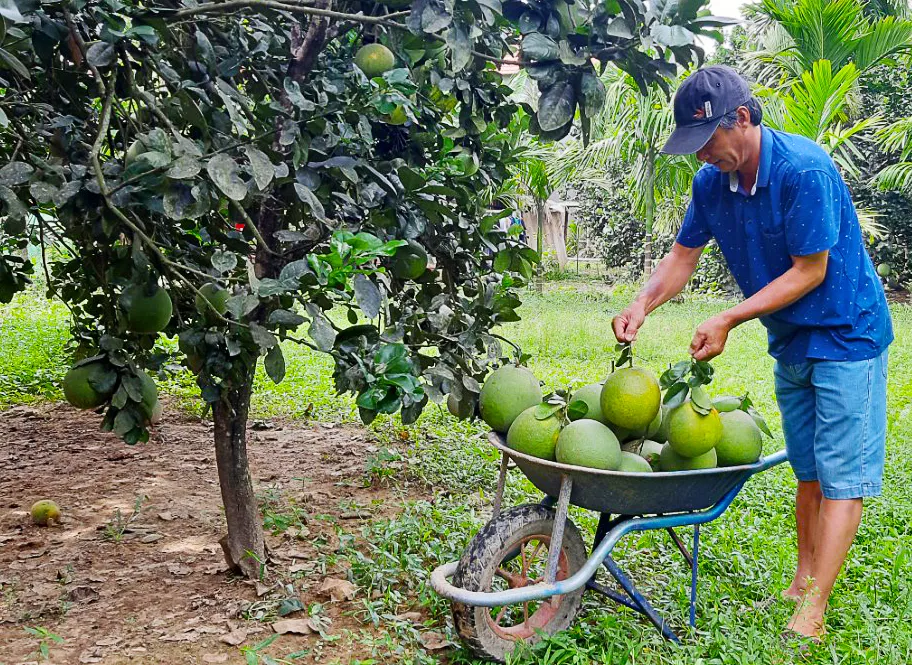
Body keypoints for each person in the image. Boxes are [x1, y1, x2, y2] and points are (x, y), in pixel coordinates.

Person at [612, 66, 892, 642]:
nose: (702, 157)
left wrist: (729, 317)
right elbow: (682, 258)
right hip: (791, 338)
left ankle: (813, 607)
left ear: (740, 118)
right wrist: (642, 304)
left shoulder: (804, 170)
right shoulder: (712, 184)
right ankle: (801, 579)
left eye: (707, 141)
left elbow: (810, 272)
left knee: (842, 477)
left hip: (847, 336)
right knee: (809, 470)